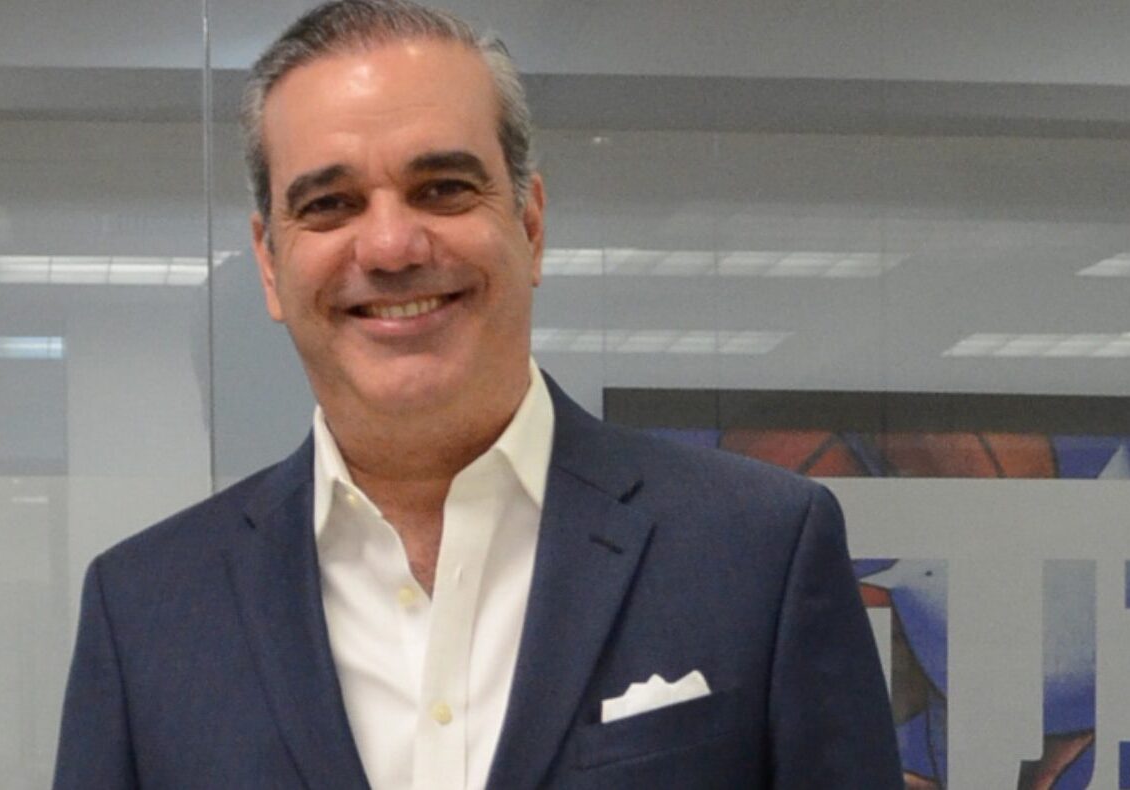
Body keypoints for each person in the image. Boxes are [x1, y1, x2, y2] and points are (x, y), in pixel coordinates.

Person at [52, 1, 903, 787]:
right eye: (330, 203)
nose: (390, 246)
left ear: (529, 224)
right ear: (270, 264)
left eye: (442, 189)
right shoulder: (145, 612)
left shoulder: (757, 550)